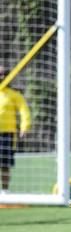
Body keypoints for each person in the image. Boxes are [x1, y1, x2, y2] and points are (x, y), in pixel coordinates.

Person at [0, 66, 31, 194]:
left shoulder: (14, 94)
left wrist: (25, 126)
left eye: (4, 74)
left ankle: (5, 191)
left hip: (7, 134)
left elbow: (24, 111)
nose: (2, 76)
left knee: (4, 164)